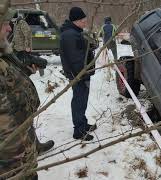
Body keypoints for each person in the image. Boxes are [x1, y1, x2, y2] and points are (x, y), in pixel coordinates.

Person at [0, 8, 53, 180]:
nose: (9, 29)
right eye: (5, 24)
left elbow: (8, 84)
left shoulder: (4, 54)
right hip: (13, 163)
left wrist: (24, 74)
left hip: (23, 150)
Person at [60, 7, 96, 141]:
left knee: (82, 99)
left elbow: (80, 50)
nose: (85, 23)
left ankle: (83, 123)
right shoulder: (70, 35)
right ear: (77, 20)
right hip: (78, 75)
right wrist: (83, 75)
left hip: (81, 74)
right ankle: (79, 131)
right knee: (79, 101)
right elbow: (75, 59)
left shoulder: (75, 32)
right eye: (83, 20)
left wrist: (89, 47)